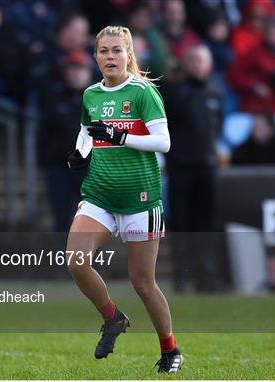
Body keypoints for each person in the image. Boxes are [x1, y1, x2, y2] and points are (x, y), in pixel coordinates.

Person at [65, 26, 183, 373]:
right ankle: (113, 318)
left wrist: (120, 135)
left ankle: (170, 350)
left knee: (143, 283)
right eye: (103, 51)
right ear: (96, 56)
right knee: (75, 261)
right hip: (100, 193)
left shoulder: (143, 92)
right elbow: (87, 130)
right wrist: (79, 152)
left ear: (128, 54)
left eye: (117, 50)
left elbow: (163, 142)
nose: (110, 57)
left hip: (140, 198)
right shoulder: (91, 94)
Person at [162, 44, 223, 292]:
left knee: (205, 223)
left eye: (202, 60)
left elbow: (216, 127)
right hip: (181, 167)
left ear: (209, 65)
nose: (198, 65)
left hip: (207, 166)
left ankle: (205, 276)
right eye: (193, 60)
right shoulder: (175, 92)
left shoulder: (215, 93)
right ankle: (181, 276)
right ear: (186, 64)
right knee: (181, 223)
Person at [38, 52, 92, 232]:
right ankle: (62, 259)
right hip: (59, 168)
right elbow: (43, 133)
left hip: (90, 171)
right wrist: (46, 163)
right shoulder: (54, 98)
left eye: (80, 69)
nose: (76, 74)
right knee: (61, 219)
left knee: (93, 222)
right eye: (72, 69)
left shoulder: (101, 101)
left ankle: (94, 260)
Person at [227, 15, 275, 114]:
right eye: (270, 33)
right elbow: (233, 75)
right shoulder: (255, 53)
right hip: (253, 110)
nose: (273, 37)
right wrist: (253, 85)